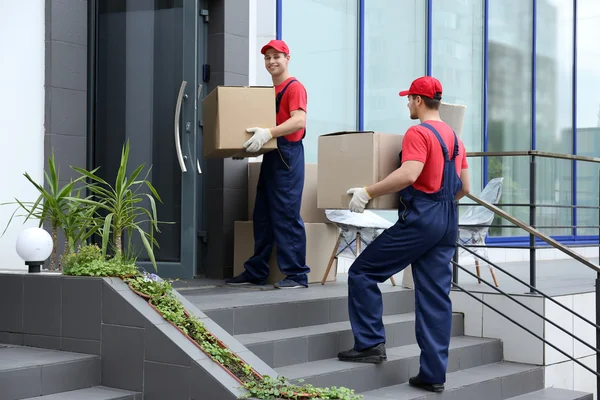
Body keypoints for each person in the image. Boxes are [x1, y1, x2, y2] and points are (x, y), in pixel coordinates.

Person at [337, 76, 470, 393]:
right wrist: (442, 209)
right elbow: (464, 188)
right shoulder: (455, 139)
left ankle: (370, 344)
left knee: (362, 272)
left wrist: (367, 192)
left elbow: (409, 173)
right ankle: (433, 375)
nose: (408, 104)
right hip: (448, 219)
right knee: (435, 298)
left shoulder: (418, 132)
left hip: (422, 217)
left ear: (420, 101)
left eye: (409, 98)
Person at [225, 39, 310, 289]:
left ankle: (297, 275)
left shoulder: (294, 87)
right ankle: (257, 271)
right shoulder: (268, 92)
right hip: (272, 155)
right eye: (267, 57)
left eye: (277, 56)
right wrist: (245, 146)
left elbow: (299, 122)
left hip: (288, 156)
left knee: (286, 215)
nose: (272, 61)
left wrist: (269, 133)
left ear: (287, 58)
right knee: (262, 215)